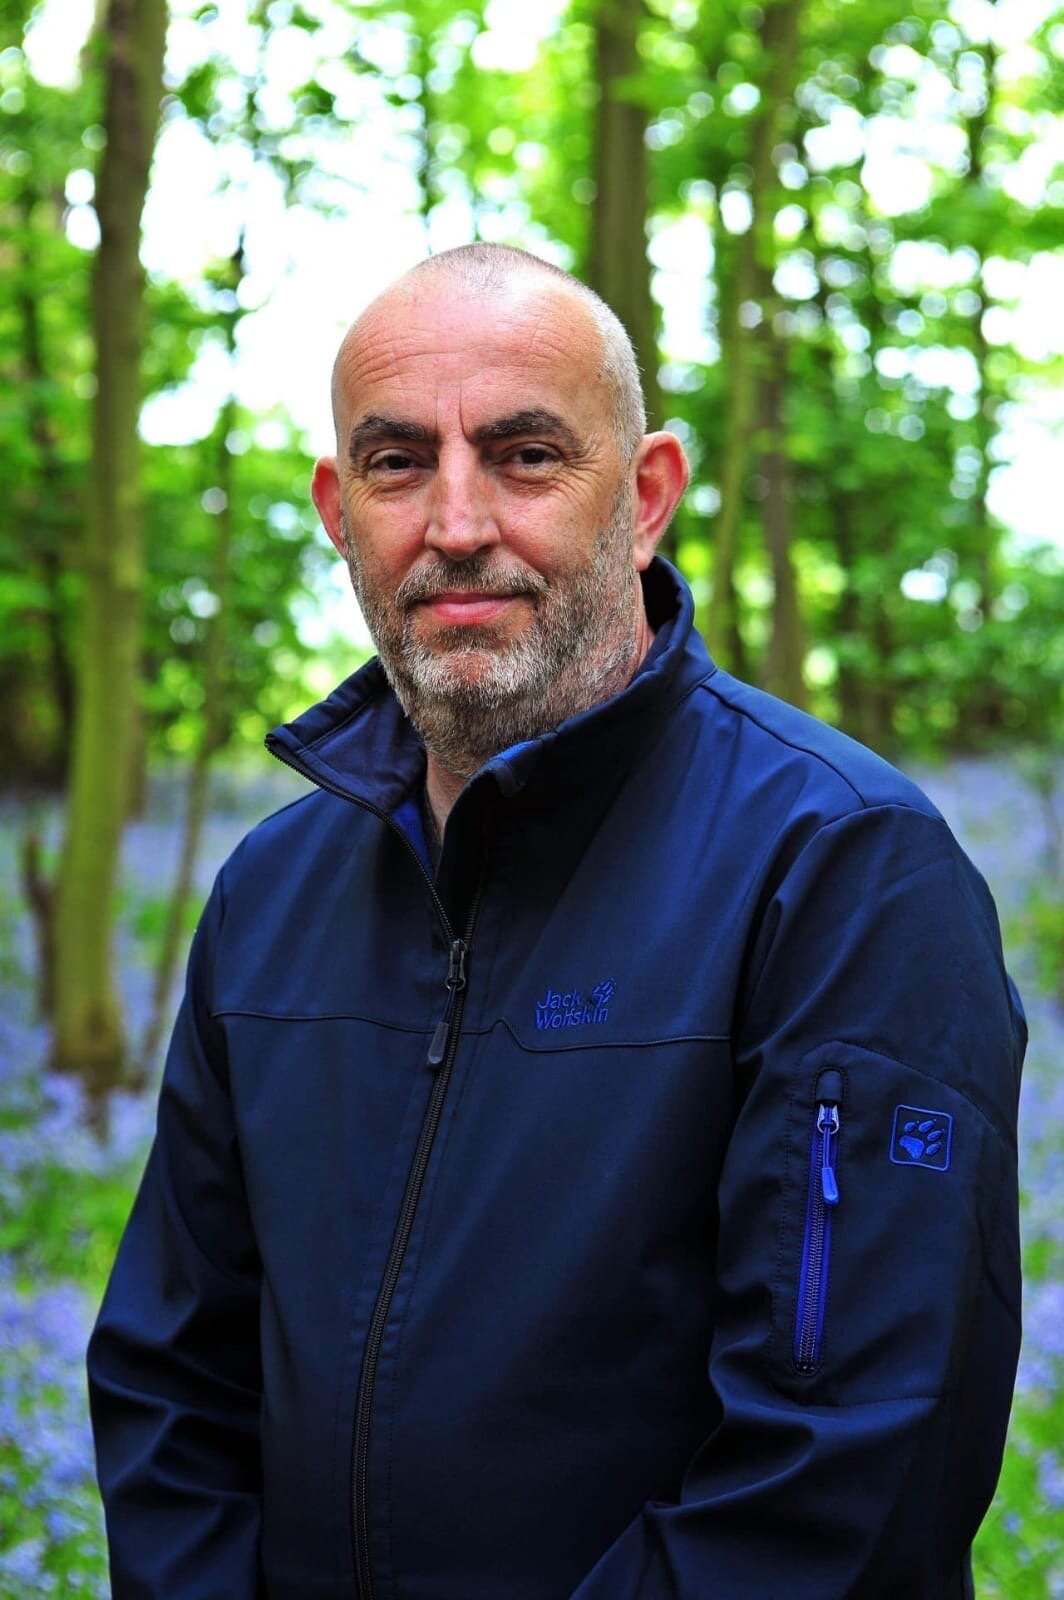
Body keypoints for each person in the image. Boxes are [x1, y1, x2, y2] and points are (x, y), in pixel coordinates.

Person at [88, 243, 1026, 1600]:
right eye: (398, 464)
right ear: (339, 512)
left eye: (526, 457)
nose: (457, 521)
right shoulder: (271, 894)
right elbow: (173, 1387)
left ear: (645, 498)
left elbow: (841, 1480)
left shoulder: (840, 872)